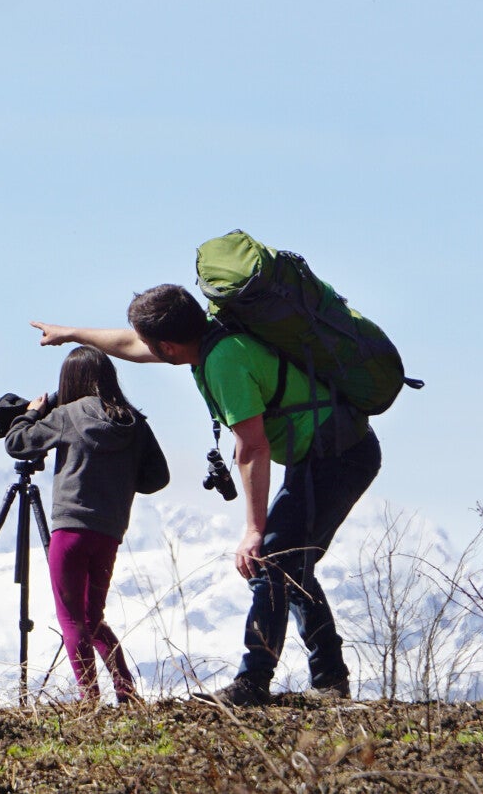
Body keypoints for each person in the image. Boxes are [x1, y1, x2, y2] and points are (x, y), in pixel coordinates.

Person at [31, 283, 382, 706]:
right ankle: (330, 680)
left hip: (340, 457)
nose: (141, 348)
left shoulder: (224, 363)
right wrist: (70, 333)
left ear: (168, 346)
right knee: (291, 561)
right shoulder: (210, 339)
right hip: (324, 454)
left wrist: (253, 529)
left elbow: (252, 447)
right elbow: (127, 344)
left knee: (271, 560)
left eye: (149, 344)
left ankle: (253, 683)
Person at [5, 346, 170, 705]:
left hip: (70, 529)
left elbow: (17, 444)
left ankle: (88, 698)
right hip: (110, 531)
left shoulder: (66, 415)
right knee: (93, 617)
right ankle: (125, 690)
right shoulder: (134, 422)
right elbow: (157, 477)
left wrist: (30, 414)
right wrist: (119, 478)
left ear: (70, 382)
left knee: (72, 619)